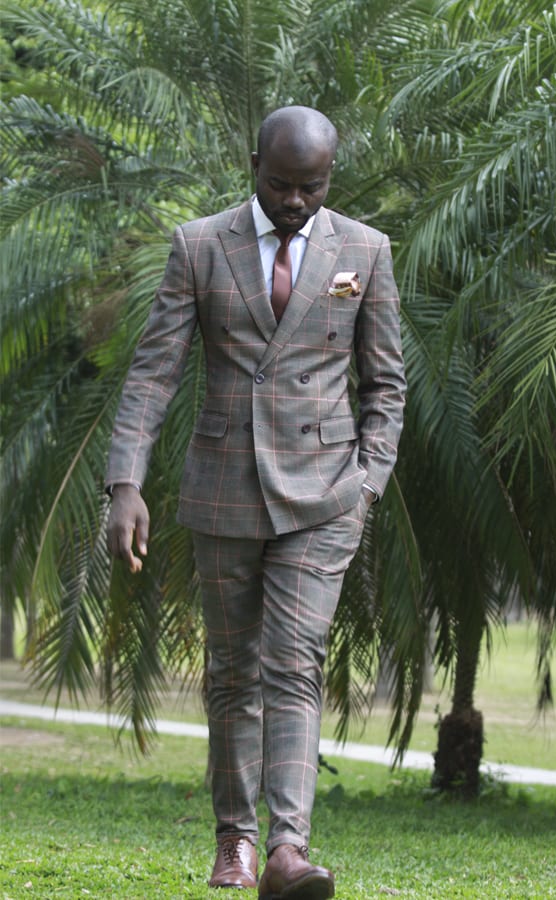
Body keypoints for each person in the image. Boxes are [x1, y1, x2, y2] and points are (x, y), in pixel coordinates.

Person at [105, 105, 406, 899]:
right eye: (282, 184)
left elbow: (386, 384)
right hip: (225, 487)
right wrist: (124, 483)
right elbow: (153, 372)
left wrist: (367, 483)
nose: (298, 201)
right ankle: (234, 843)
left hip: (326, 495)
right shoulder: (200, 246)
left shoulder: (365, 251)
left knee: (294, 662)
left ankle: (287, 851)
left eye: (314, 186)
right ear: (254, 165)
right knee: (234, 672)